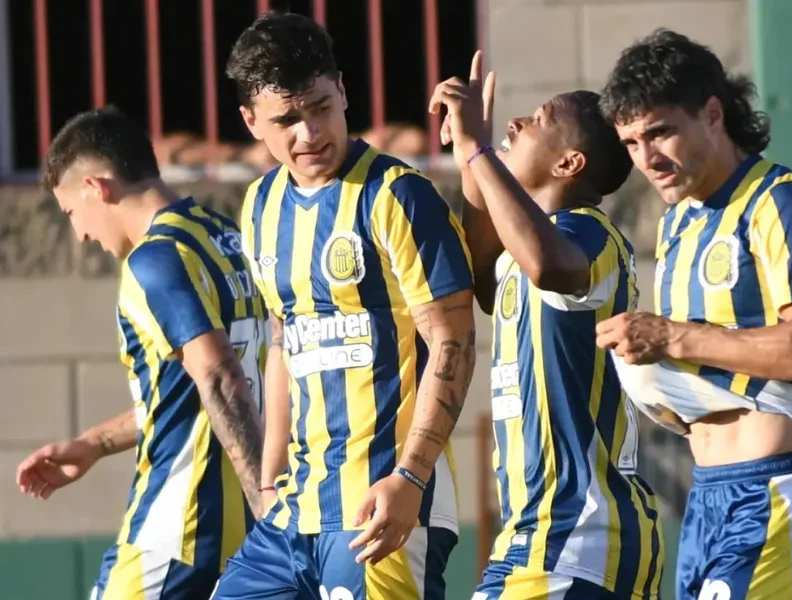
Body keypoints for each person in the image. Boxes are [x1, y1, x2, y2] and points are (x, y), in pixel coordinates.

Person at [211, 12, 477, 600]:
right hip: (292, 513)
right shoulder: (259, 207)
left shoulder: (398, 195)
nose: (309, 132)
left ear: (343, 93)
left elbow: (454, 340)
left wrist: (410, 476)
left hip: (381, 505)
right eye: (287, 119)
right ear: (252, 122)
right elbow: (285, 337)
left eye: (320, 107)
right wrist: (270, 474)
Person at [595, 29, 792, 600]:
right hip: (707, 496)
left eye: (660, 132)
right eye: (632, 142)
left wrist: (669, 338)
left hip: (778, 490)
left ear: (713, 113)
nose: (648, 158)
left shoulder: (784, 201)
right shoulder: (677, 224)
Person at [429, 52, 664, 600]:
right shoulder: (528, 247)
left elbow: (548, 265)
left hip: (576, 536)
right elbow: (484, 277)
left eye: (536, 121)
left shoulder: (590, 237)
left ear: (568, 165)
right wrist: (473, 163)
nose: (516, 124)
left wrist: (478, 150)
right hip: (538, 537)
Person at [14, 106, 267, 599]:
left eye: (71, 214)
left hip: (177, 535)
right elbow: (195, 389)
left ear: (96, 187)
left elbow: (218, 377)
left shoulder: (152, 259)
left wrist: (269, 505)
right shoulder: (223, 237)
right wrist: (95, 444)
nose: (81, 235)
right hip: (235, 541)